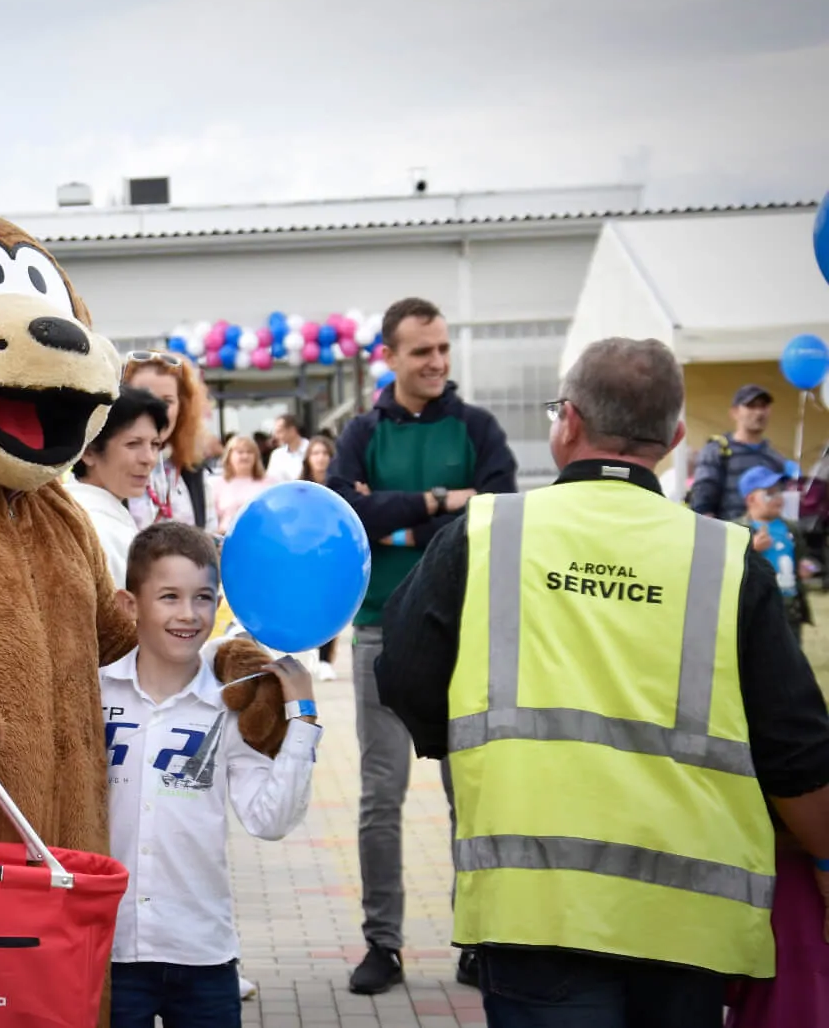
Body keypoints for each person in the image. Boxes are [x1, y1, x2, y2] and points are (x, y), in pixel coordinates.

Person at [376, 337, 829, 1028]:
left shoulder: (490, 532)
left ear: (569, 422)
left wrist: (478, 747)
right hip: (688, 925)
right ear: (675, 437)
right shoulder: (727, 560)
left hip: (534, 911)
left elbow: (403, 676)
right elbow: (798, 752)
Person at [326, 296, 517, 994]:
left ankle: (477, 939)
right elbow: (346, 513)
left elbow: (498, 515)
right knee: (381, 796)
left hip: (462, 634)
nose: (437, 362)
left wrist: (395, 521)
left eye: (442, 349)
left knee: (470, 794)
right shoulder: (360, 433)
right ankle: (384, 944)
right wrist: (441, 504)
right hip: (378, 628)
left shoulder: (479, 428)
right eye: (422, 351)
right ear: (390, 356)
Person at [103, 522, 322, 1028]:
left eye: (204, 598)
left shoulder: (228, 707)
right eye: (169, 597)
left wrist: (303, 718)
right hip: (110, 951)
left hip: (202, 956)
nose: (188, 614)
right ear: (129, 604)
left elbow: (269, 820)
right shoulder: (95, 696)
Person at [67, 385, 168, 587]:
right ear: (89, 452)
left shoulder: (79, 510)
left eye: (155, 445)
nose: (149, 458)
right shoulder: (97, 528)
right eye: (133, 444)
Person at [125, 351, 217, 532]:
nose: (156, 409)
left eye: (167, 401)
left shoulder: (193, 472)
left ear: (182, 407)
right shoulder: (104, 471)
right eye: (145, 397)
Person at [689, 384, 789, 520]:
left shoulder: (775, 458)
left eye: (763, 406)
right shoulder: (717, 451)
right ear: (734, 412)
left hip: (765, 537)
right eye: (751, 406)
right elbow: (702, 502)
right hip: (728, 535)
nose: (759, 412)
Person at [737, 465, 813, 645]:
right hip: (757, 609)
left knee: (792, 657)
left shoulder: (791, 528)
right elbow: (728, 567)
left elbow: (802, 557)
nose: (778, 498)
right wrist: (751, 549)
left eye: (780, 492)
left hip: (789, 608)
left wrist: (806, 567)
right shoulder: (738, 530)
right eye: (770, 493)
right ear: (751, 499)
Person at [300, 436, 342, 682]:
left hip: (333, 554)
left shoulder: (340, 485)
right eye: (316, 453)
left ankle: (326, 658)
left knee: (331, 605)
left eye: (325, 453)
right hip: (307, 555)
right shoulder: (300, 487)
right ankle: (314, 649)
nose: (321, 458)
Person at [213, 434, 272, 534]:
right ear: (229, 456)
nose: (245, 456)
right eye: (240, 452)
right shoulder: (216, 484)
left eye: (249, 452)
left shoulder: (269, 482)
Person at [265, 413, 308, 483]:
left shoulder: (312, 450)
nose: (276, 436)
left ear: (292, 430)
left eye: (279, 431)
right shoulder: (277, 455)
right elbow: (270, 481)